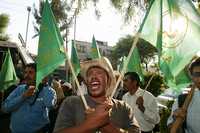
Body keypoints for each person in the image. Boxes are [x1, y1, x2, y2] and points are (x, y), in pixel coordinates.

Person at [54, 57, 140, 133]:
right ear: (86, 82)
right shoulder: (71, 103)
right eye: (89, 74)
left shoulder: (123, 107)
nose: (93, 76)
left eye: (99, 72)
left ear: (108, 81)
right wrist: (88, 125)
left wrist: (105, 125)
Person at [2, 63, 57, 133]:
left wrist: (45, 85)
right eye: (25, 72)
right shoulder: (19, 89)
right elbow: (5, 108)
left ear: (39, 75)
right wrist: (23, 97)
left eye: (30, 72)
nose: (26, 75)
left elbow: (50, 104)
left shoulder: (49, 91)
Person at [167, 58, 200, 133]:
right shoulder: (182, 100)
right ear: (192, 77)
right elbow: (172, 129)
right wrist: (177, 120)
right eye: (197, 74)